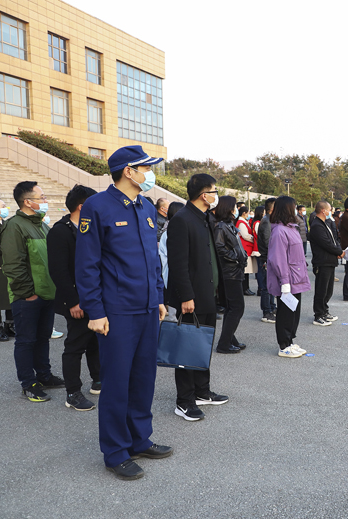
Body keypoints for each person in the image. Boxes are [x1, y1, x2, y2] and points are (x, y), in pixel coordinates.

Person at [74, 146, 171, 480]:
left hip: (146, 308)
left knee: (144, 378)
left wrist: (158, 296)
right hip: (116, 312)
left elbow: (152, 258)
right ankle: (115, 451)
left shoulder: (144, 206)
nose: (150, 174)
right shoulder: (97, 207)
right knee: (117, 382)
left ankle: (139, 439)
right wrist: (95, 310)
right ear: (129, 171)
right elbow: (87, 265)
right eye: (146, 168)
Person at [166, 173, 230, 421]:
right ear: (204, 195)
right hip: (190, 297)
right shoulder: (182, 220)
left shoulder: (203, 218)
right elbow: (178, 263)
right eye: (214, 191)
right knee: (187, 348)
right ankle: (184, 401)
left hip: (207, 293)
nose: (216, 195)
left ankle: (202, 391)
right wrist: (185, 296)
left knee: (202, 344)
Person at [0, 182, 64, 402]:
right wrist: (28, 293)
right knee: (26, 341)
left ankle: (44, 375)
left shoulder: (42, 225)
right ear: (28, 201)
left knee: (42, 338)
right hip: (27, 297)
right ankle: (28, 383)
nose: (45, 201)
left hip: (47, 293)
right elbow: (13, 265)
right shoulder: (14, 226)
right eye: (42, 197)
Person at [47, 184, 101, 412]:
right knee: (75, 345)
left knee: (96, 342)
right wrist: (73, 301)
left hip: (96, 297)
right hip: (77, 299)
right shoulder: (60, 231)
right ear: (83, 206)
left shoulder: (92, 228)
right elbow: (59, 271)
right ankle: (73, 392)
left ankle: (99, 380)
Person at [267, 196, 311, 358]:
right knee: (286, 313)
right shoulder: (279, 231)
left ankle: (290, 341)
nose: (296, 210)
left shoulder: (292, 228)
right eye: (293, 208)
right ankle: (283, 345)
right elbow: (278, 259)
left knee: (294, 312)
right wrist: (284, 281)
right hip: (288, 279)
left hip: (297, 277)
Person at [213, 196, 247, 353]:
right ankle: (224, 343)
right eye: (234, 207)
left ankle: (229, 339)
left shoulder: (228, 225)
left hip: (235, 270)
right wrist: (236, 259)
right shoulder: (221, 226)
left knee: (232, 307)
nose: (236, 210)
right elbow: (220, 248)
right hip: (229, 272)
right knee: (237, 307)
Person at [309, 201, 343, 326]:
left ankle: (324, 311)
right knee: (321, 290)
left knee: (328, 290)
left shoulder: (325, 223)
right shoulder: (317, 225)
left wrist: (338, 250)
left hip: (329, 260)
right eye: (329, 209)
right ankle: (318, 315)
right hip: (322, 261)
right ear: (323, 211)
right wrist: (339, 251)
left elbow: (333, 239)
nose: (331, 212)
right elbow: (326, 243)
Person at [0, 197, 15, 342]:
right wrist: (9, 248)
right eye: (2, 206)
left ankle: (9, 326)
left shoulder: (7, 223)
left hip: (8, 264)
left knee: (10, 296)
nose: (5, 208)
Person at [257, 197, 277, 323]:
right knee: (266, 287)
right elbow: (268, 242)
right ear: (272, 209)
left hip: (270, 258)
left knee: (272, 285)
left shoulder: (271, 221)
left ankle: (272, 307)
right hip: (267, 258)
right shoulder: (266, 222)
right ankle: (266, 311)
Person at [235, 205, 256, 296]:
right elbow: (245, 235)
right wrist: (254, 239)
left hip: (246, 248)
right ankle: (245, 288)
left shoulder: (244, 221)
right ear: (244, 213)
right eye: (247, 213)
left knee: (246, 271)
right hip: (245, 247)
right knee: (245, 270)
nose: (248, 215)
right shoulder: (241, 223)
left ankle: (246, 287)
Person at [251, 206, 264, 294]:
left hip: (259, 248)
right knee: (261, 271)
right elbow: (259, 236)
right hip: (258, 249)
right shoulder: (257, 223)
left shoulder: (258, 222)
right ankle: (261, 288)